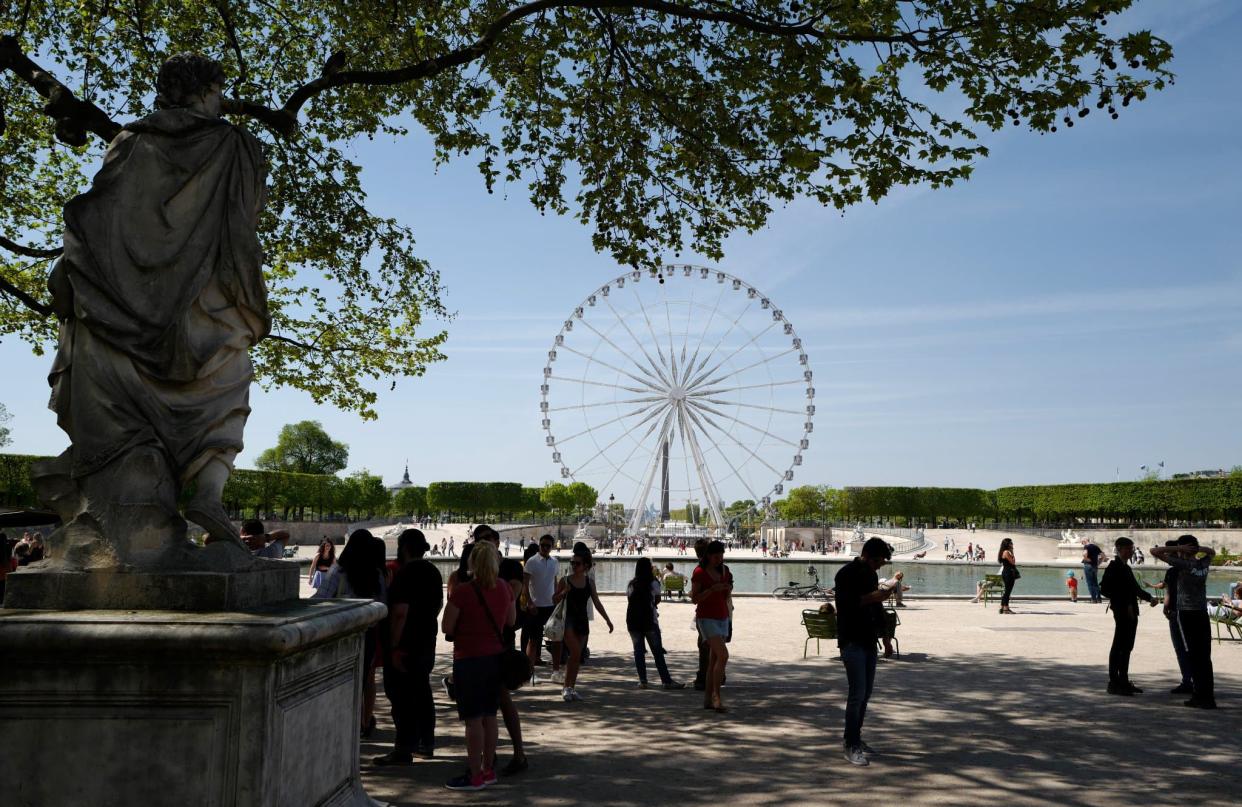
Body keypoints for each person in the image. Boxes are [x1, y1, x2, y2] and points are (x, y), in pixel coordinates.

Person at [440, 540, 515, 790]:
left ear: (472, 562)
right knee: (490, 716)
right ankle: (488, 769)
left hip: (469, 659)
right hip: (494, 659)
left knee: (472, 720)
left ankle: (473, 775)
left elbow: (447, 627)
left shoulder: (463, 591)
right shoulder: (504, 588)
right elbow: (511, 620)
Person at [374, 529, 443, 766]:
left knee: (401, 698)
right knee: (423, 693)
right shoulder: (433, 572)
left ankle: (403, 748)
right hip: (426, 640)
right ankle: (426, 743)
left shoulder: (405, 574)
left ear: (403, 548)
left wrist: (393, 647)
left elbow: (400, 613)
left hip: (405, 645)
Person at [313, 529, 387, 735]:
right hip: (367, 635)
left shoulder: (338, 571)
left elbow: (320, 598)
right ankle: (361, 724)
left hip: (339, 633)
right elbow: (382, 605)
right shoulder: (376, 574)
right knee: (363, 680)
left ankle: (343, 725)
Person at [472, 525, 530, 777]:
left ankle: (517, 753)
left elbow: (509, 605)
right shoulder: (474, 568)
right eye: (479, 541)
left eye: (486, 540)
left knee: (502, 699)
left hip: (501, 641)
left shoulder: (510, 569)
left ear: (497, 541)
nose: (483, 545)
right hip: (478, 642)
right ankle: (491, 754)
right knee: (485, 702)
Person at [834, 537, 895, 766]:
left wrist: (886, 638)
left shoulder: (869, 574)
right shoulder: (845, 574)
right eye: (879, 561)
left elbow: (877, 609)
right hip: (851, 639)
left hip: (869, 640)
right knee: (857, 693)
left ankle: (856, 738)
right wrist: (875, 596)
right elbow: (846, 605)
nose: (880, 566)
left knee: (865, 694)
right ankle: (850, 743)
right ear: (868, 556)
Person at [1151, 535, 1216, 709]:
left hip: (1186, 613)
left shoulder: (1184, 564)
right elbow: (1212, 552)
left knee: (1192, 655)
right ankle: (1207, 696)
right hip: (1202, 612)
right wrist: (1196, 549)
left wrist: (1177, 549)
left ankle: (1199, 696)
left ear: (1184, 549)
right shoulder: (1204, 563)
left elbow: (1154, 551)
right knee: (1204, 656)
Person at [553, 547, 613, 702]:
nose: (573, 565)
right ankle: (566, 688)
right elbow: (554, 600)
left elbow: (597, 602)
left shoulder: (589, 582)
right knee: (574, 653)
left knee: (577, 656)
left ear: (586, 566)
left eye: (577, 563)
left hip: (582, 621)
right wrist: (563, 592)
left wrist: (607, 619)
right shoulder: (564, 580)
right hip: (568, 620)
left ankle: (571, 688)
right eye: (572, 562)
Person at [1100, 538, 1158, 695]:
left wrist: (1150, 598)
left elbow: (1135, 588)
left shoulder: (1125, 567)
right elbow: (1104, 589)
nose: (1130, 551)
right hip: (1122, 611)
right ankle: (1114, 682)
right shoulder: (1114, 567)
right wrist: (1124, 603)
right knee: (1119, 646)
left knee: (1126, 647)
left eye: (1131, 548)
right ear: (1118, 549)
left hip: (1131, 611)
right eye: (1127, 548)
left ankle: (1123, 680)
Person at [626, 557, 685, 690]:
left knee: (638, 651)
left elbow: (629, 599)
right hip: (649, 620)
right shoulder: (653, 583)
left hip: (633, 621)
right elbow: (657, 599)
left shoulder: (631, 584)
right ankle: (666, 680)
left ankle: (643, 680)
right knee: (657, 652)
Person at [691, 540, 732, 713]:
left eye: (721, 556)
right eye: (716, 556)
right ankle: (717, 697)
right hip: (706, 618)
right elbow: (694, 598)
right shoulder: (699, 572)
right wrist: (712, 590)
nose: (719, 559)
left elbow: (727, 593)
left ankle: (708, 699)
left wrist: (726, 588)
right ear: (708, 555)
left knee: (714, 660)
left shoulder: (725, 570)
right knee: (723, 655)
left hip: (722, 617)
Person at [1157, 540, 1194, 695]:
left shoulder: (1176, 570)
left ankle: (1188, 680)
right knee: (1189, 648)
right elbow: (1169, 591)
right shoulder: (1196, 567)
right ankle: (1192, 680)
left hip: (1178, 612)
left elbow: (1169, 592)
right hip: (1191, 611)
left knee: (1181, 648)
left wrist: (1166, 607)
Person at [521, 534, 560, 678]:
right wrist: (530, 602)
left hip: (550, 605)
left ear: (552, 546)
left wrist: (557, 599)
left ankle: (555, 671)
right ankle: (530, 673)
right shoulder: (531, 562)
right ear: (539, 545)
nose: (544, 548)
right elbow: (525, 585)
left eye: (547, 545)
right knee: (533, 640)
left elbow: (554, 582)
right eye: (542, 545)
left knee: (556, 639)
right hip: (536, 606)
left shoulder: (555, 562)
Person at [997, 538, 1018, 614]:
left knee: (1007, 591)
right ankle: (1006, 608)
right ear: (1008, 544)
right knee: (1008, 592)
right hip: (1008, 573)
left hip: (1006, 572)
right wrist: (1012, 552)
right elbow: (1013, 562)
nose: (1012, 544)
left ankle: (1002, 607)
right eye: (1011, 543)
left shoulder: (1003, 552)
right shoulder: (1006, 552)